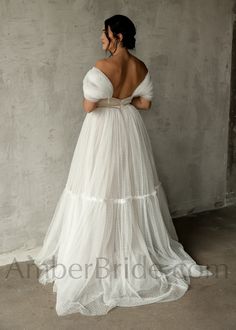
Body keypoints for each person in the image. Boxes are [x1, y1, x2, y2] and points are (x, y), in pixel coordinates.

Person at [34, 14, 213, 317]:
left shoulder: (102, 68)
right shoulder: (140, 67)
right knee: (129, 186)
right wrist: (124, 100)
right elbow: (144, 103)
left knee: (98, 187)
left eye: (104, 34)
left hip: (102, 130)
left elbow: (88, 106)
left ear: (116, 36)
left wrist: (107, 101)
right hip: (129, 129)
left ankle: (97, 250)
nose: (100, 40)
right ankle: (128, 246)